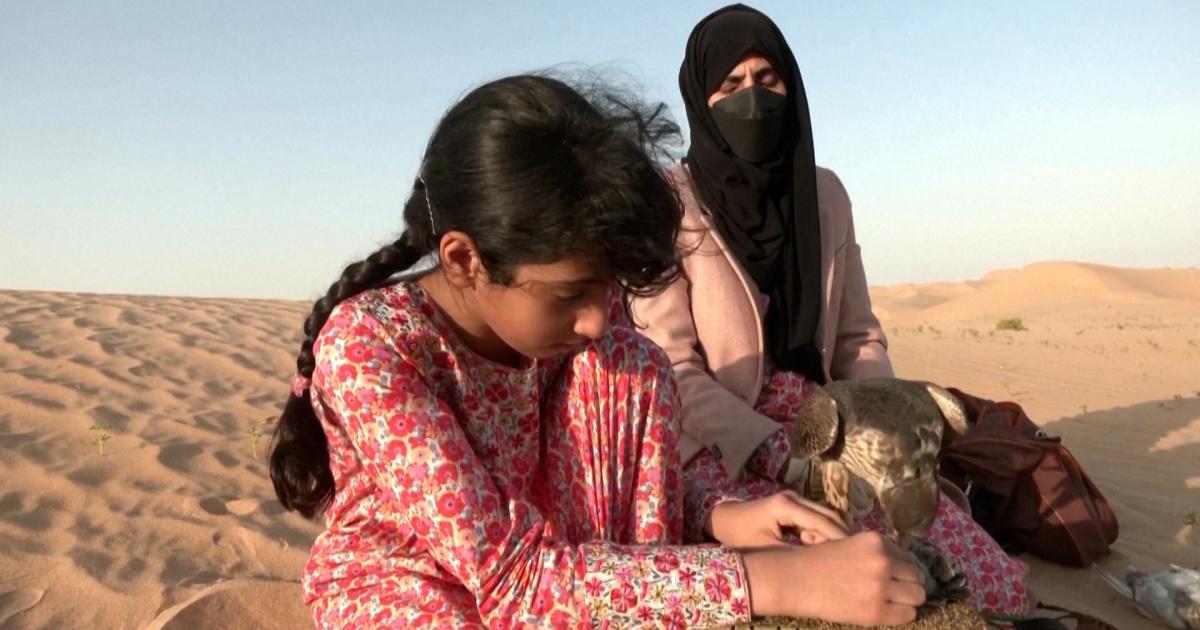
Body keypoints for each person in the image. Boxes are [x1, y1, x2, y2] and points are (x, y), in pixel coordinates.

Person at [268, 73, 927, 629]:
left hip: (563, 566)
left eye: (605, 288)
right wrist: (778, 583)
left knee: (633, 362)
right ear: (465, 260)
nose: (593, 319)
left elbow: (642, 459)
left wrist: (721, 512)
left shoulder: (581, 334)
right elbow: (512, 579)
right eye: (570, 294)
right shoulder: (371, 345)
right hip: (419, 587)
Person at [630, 4, 1031, 620]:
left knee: (988, 581)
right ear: (700, 99)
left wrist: (882, 423)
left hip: (828, 422)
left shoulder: (824, 196)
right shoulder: (669, 205)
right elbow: (673, 369)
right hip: (720, 437)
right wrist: (775, 452)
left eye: (768, 79)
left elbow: (858, 337)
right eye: (731, 85)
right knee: (831, 570)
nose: (752, 98)